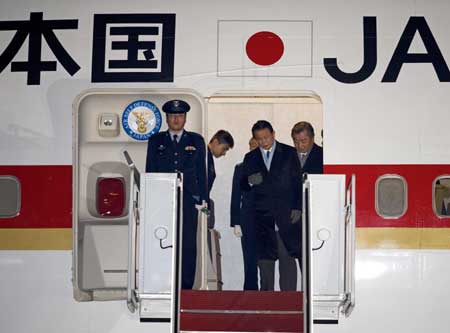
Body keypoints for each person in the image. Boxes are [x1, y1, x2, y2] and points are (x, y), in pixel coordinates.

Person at [145, 99, 207, 290]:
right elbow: (150, 170)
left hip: (189, 198)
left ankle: (186, 285)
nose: (176, 119)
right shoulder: (156, 141)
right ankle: (164, 282)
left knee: (188, 243)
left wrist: (204, 198)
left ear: (185, 118)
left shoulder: (196, 140)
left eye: (180, 116)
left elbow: (201, 172)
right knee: (162, 240)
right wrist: (150, 199)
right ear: (167, 118)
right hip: (163, 199)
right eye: (172, 116)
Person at [240, 120, 302, 291]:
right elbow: (242, 185)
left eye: (266, 137)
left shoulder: (290, 153)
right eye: (259, 139)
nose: (263, 142)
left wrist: (298, 207)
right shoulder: (250, 158)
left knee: (287, 259)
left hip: (286, 215)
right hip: (261, 218)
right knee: (265, 263)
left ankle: (289, 300)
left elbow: (298, 182)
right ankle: (267, 301)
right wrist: (249, 181)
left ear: (273, 134)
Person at [230, 137, 259, 290]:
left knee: (267, 260)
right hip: (247, 217)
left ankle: (268, 291)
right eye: (251, 145)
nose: (253, 148)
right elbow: (235, 195)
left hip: (267, 218)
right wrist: (236, 221)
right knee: (249, 256)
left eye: (256, 145)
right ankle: (250, 289)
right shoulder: (240, 168)